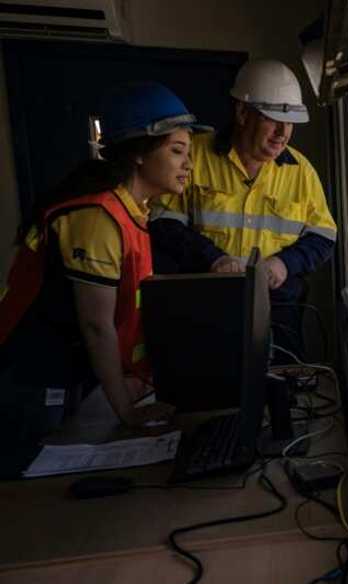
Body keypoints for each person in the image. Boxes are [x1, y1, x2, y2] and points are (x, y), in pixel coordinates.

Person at [0, 82, 209, 473]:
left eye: (189, 154)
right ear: (138, 155)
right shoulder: (99, 217)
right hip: (32, 377)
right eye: (177, 151)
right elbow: (97, 326)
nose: (188, 165)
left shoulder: (132, 212)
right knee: (28, 490)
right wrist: (127, 411)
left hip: (69, 372)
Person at [149, 59, 336, 360]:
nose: (282, 133)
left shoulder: (301, 171)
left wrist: (284, 264)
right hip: (208, 304)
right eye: (272, 119)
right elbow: (163, 223)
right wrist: (213, 259)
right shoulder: (193, 155)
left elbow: (323, 235)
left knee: (282, 390)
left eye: (289, 123)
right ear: (242, 112)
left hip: (279, 309)